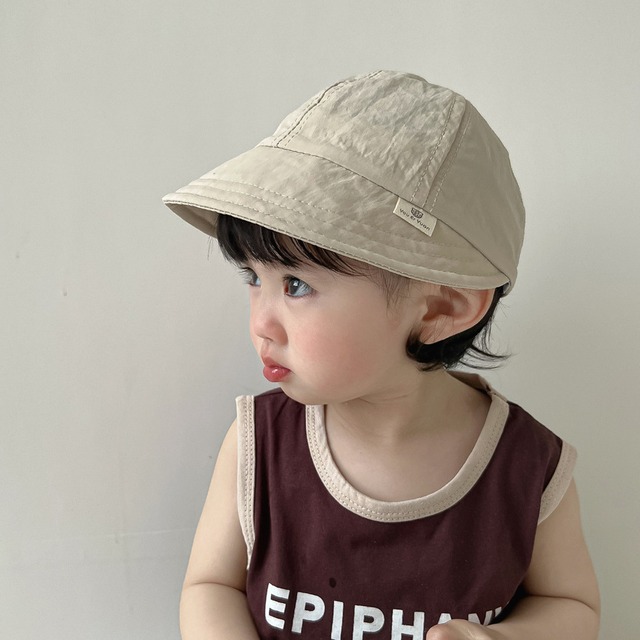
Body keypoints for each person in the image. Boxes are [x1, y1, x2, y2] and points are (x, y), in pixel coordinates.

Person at [162, 70, 600, 640]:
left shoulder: (528, 469)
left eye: (296, 285)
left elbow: (571, 604)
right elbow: (209, 585)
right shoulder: (259, 443)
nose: (261, 324)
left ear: (441, 307)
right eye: (253, 278)